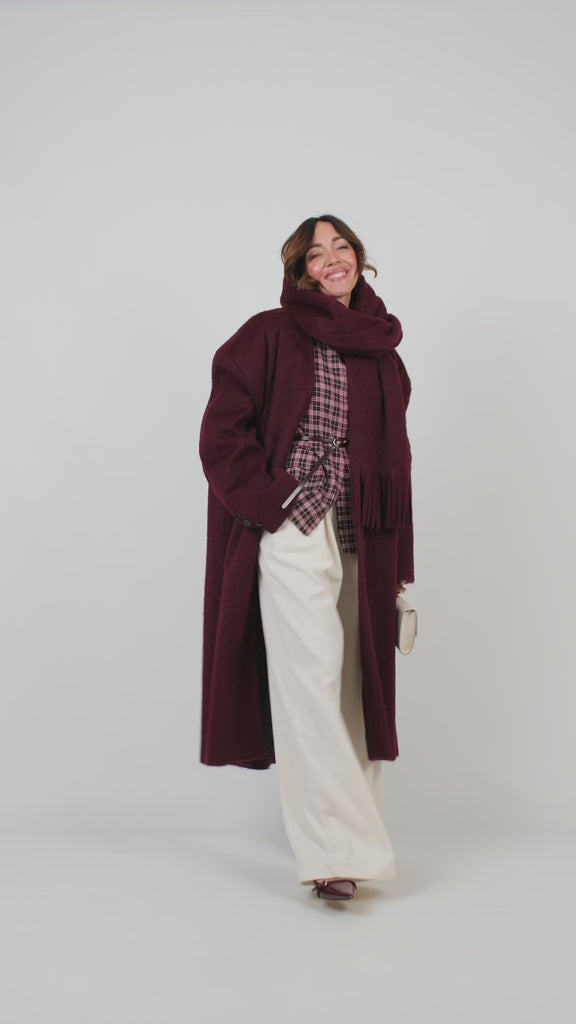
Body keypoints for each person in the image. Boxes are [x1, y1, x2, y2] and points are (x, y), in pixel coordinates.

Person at [199, 215, 414, 901]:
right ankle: (336, 855)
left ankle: (346, 845)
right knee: (310, 680)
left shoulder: (384, 352)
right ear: (301, 272)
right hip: (294, 525)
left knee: (354, 685)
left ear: (359, 258)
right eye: (316, 254)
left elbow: (399, 463)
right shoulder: (267, 333)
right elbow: (221, 436)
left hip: (363, 532)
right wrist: (275, 500)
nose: (332, 260)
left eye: (341, 247)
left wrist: (401, 560)